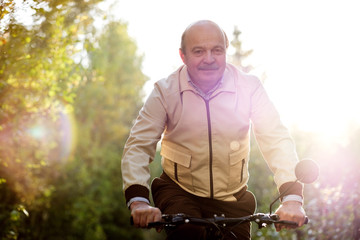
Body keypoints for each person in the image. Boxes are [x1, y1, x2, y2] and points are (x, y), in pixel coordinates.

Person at [121, 20, 306, 239]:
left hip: (232, 199)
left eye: (216, 50)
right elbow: (139, 146)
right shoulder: (165, 91)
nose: (209, 59)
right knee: (189, 233)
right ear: (183, 56)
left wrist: (292, 198)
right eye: (198, 51)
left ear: (225, 52)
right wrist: (139, 201)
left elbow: (275, 139)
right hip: (179, 192)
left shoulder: (249, 87)